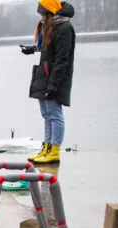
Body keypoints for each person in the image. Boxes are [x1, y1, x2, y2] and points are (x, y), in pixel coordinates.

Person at [22, 1, 75, 165]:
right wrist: (32, 49)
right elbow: (48, 49)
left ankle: (54, 150)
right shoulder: (51, 27)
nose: (41, 18)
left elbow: (62, 58)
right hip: (45, 74)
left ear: (50, 13)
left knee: (55, 114)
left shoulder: (64, 28)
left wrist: (53, 84)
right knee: (46, 115)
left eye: (43, 14)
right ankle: (46, 147)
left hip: (55, 77)